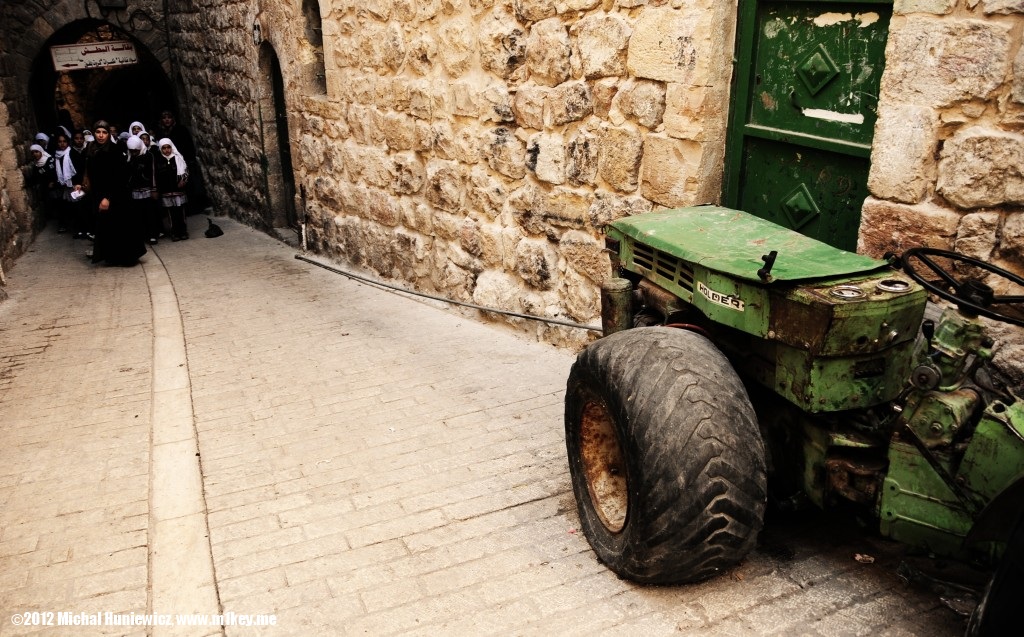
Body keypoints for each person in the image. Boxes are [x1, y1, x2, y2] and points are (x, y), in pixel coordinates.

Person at [81, 120, 145, 266]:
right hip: (98, 194)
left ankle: (125, 258)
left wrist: (108, 198)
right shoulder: (91, 149)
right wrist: (82, 185)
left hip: (116, 196)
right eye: (98, 132)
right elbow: (88, 172)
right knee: (106, 227)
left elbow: (119, 177)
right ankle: (111, 257)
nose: (101, 135)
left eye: (104, 132)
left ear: (109, 134)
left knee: (120, 226)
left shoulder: (115, 150)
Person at [156, 110, 208, 211]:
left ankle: (193, 207)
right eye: (164, 118)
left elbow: (188, 145)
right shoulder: (161, 133)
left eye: (169, 117)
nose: (167, 120)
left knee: (188, 184)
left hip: (183, 161)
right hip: (169, 163)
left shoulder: (181, 130)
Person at [126, 135, 160, 245]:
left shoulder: (149, 156)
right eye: (132, 151)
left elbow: (153, 172)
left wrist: (154, 189)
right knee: (138, 215)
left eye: (136, 151)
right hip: (135, 191)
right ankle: (142, 235)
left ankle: (153, 235)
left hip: (147, 190)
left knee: (150, 213)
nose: (134, 153)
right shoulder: (129, 157)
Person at [154, 137, 189, 241]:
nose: (166, 150)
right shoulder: (159, 160)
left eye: (168, 147)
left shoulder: (178, 158)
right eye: (163, 148)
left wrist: (183, 180)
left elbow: (186, 171)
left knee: (180, 212)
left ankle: (183, 231)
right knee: (171, 214)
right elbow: (156, 175)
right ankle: (174, 232)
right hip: (166, 192)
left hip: (179, 190)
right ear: (160, 149)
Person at [52, 132, 83, 234]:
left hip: (73, 184)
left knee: (77, 206)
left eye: (64, 141)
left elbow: (78, 169)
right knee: (64, 206)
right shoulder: (56, 156)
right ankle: (68, 226)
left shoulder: (72, 153)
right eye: (60, 142)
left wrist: (77, 183)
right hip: (62, 184)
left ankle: (79, 228)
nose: (62, 144)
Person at [26, 142, 60, 228]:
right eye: (33, 153)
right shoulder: (36, 165)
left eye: (36, 152)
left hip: (56, 187)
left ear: (41, 151)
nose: (35, 154)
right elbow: (34, 178)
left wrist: (53, 182)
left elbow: (56, 172)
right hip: (46, 189)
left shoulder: (50, 160)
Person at [69, 130, 92, 239]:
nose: (79, 141)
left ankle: (88, 229)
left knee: (88, 207)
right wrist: (74, 183)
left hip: (87, 183)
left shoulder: (87, 151)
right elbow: (70, 170)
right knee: (77, 208)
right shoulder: (70, 152)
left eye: (81, 138)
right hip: (76, 184)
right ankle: (80, 230)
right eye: (76, 138)